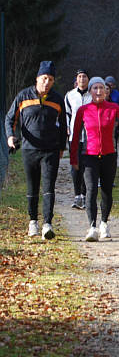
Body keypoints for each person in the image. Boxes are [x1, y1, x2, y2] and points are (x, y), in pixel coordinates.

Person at [70, 77, 119, 242]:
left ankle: (104, 224)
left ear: (106, 91)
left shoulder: (113, 108)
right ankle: (92, 227)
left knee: (107, 191)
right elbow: (75, 135)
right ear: (90, 91)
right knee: (91, 190)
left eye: (102, 88)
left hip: (109, 155)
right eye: (95, 88)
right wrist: (74, 159)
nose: (99, 91)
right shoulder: (83, 110)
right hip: (89, 156)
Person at [5, 61, 67, 239]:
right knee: (32, 188)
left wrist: (62, 146)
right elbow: (10, 119)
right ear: (37, 78)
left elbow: (63, 125)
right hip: (29, 149)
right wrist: (10, 137)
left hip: (51, 150)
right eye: (44, 78)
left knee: (48, 187)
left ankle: (47, 223)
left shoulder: (57, 99)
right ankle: (33, 222)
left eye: (50, 79)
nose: (47, 82)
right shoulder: (23, 96)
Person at [65, 69, 91, 210]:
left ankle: (86, 196)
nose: (82, 79)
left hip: (89, 137)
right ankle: (77, 196)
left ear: (88, 79)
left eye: (84, 76)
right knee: (75, 166)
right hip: (74, 136)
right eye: (80, 76)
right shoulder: (70, 95)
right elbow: (67, 114)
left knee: (87, 166)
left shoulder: (93, 94)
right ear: (76, 79)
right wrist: (67, 128)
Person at [105, 76, 119, 149]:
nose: (110, 86)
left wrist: (118, 120)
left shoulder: (118, 95)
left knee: (114, 140)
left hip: (115, 120)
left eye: (112, 85)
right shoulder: (100, 95)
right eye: (108, 84)